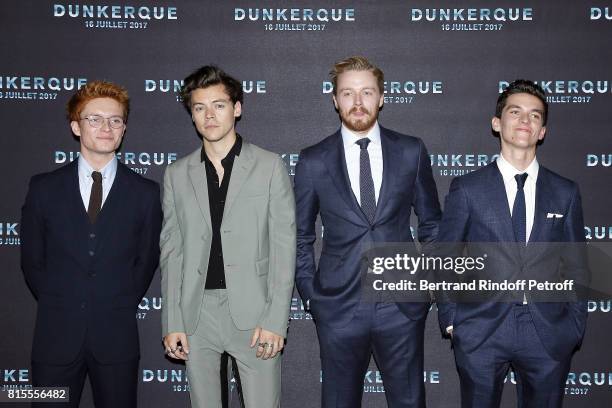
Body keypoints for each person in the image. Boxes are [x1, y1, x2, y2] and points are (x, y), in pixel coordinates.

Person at [294, 56, 441, 407]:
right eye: (347, 93)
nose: (357, 103)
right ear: (334, 100)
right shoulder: (313, 160)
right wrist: (312, 296)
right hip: (338, 308)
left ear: (382, 97)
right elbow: (300, 237)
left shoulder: (411, 150)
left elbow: (432, 225)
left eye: (366, 92)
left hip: (401, 307)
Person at [436, 79, 589, 407]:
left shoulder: (566, 192)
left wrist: (574, 325)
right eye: (515, 111)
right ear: (497, 123)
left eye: (535, 115)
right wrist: (451, 319)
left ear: (542, 131)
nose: (525, 120)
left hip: (547, 333)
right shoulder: (467, 188)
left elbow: (577, 265)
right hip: (481, 329)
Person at [160, 65, 295, 408]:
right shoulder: (176, 175)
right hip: (197, 315)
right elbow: (172, 252)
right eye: (199, 108)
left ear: (237, 108)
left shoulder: (269, 166)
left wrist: (275, 320)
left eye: (219, 105)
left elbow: (283, 248)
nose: (209, 115)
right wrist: (172, 321)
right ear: (191, 115)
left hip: (255, 314)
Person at [21, 80, 162, 407]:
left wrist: (117, 300)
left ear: (123, 129)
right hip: (54, 338)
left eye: (115, 120)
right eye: (94, 119)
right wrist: (63, 300)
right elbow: (32, 262)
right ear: (75, 126)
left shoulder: (146, 193)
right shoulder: (43, 188)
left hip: (117, 340)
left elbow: (146, 262)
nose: (106, 127)